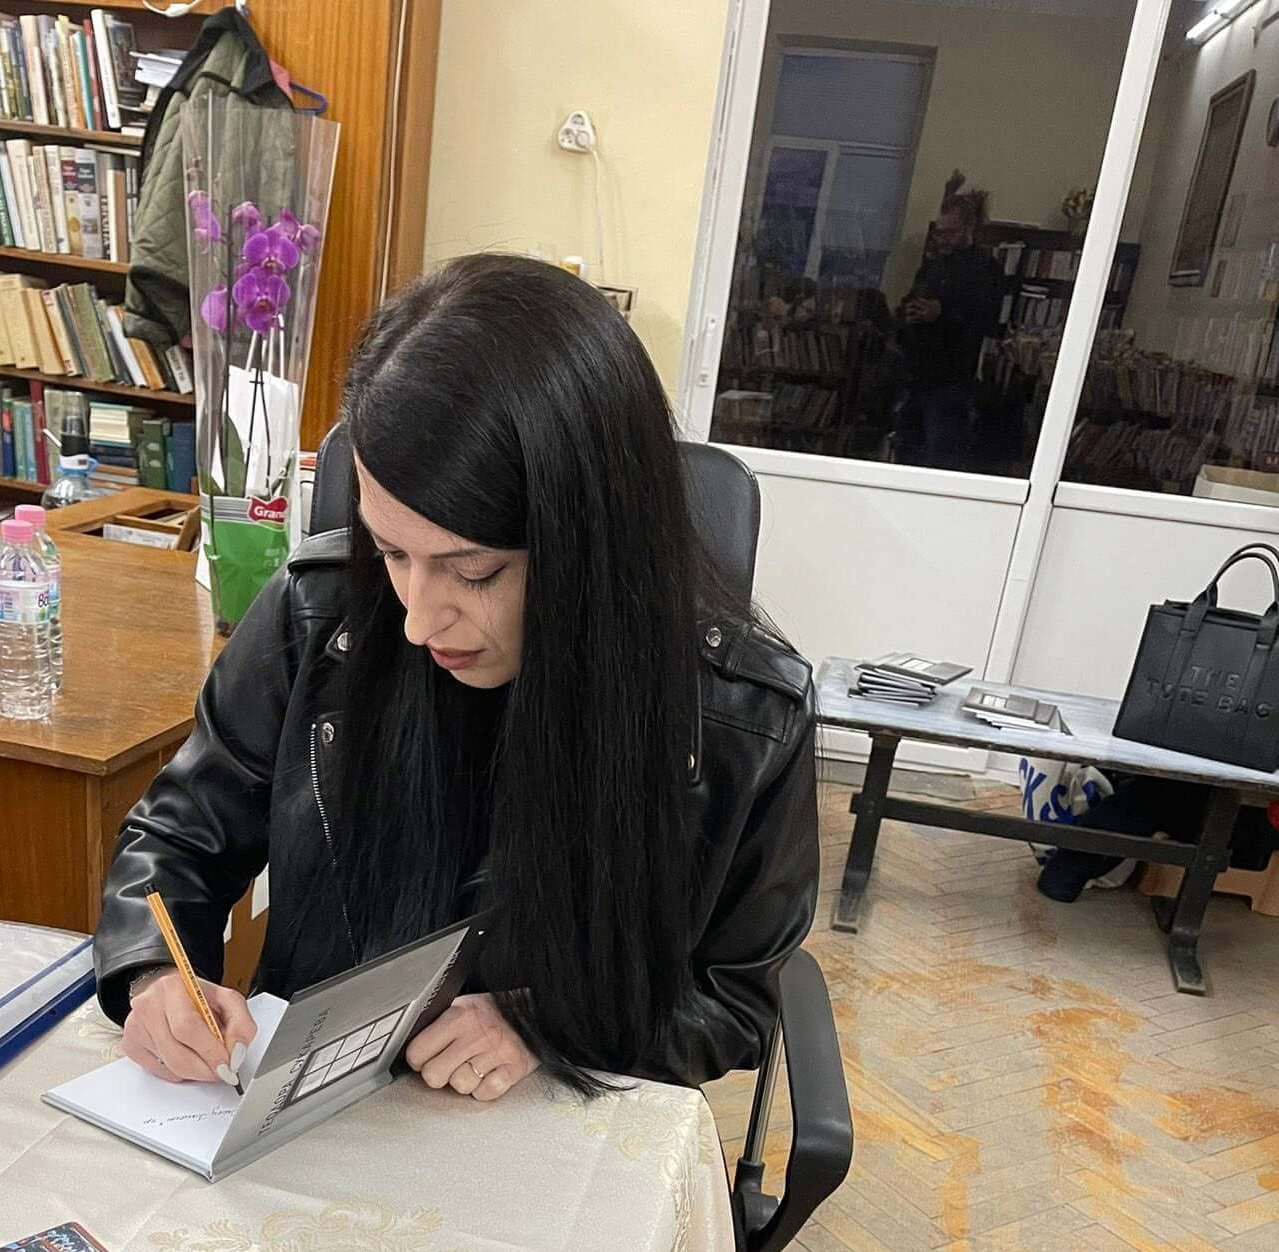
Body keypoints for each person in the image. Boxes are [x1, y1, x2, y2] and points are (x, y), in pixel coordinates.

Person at [92, 254, 819, 1101]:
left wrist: (547, 1024)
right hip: (307, 1111)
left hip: (547, 1123)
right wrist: (155, 974)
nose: (416, 620)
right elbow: (180, 835)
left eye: (473, 573)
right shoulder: (320, 615)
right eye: (392, 553)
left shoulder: (744, 714)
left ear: (592, 545)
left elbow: (734, 1002)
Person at [894, 171, 1004, 471]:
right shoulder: (932, 266)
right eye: (939, 233)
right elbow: (911, 300)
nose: (941, 240)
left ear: (968, 229)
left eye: (948, 233)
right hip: (917, 373)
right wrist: (908, 313)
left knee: (940, 457)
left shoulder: (984, 269)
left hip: (951, 379)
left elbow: (984, 320)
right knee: (905, 453)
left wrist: (941, 314)